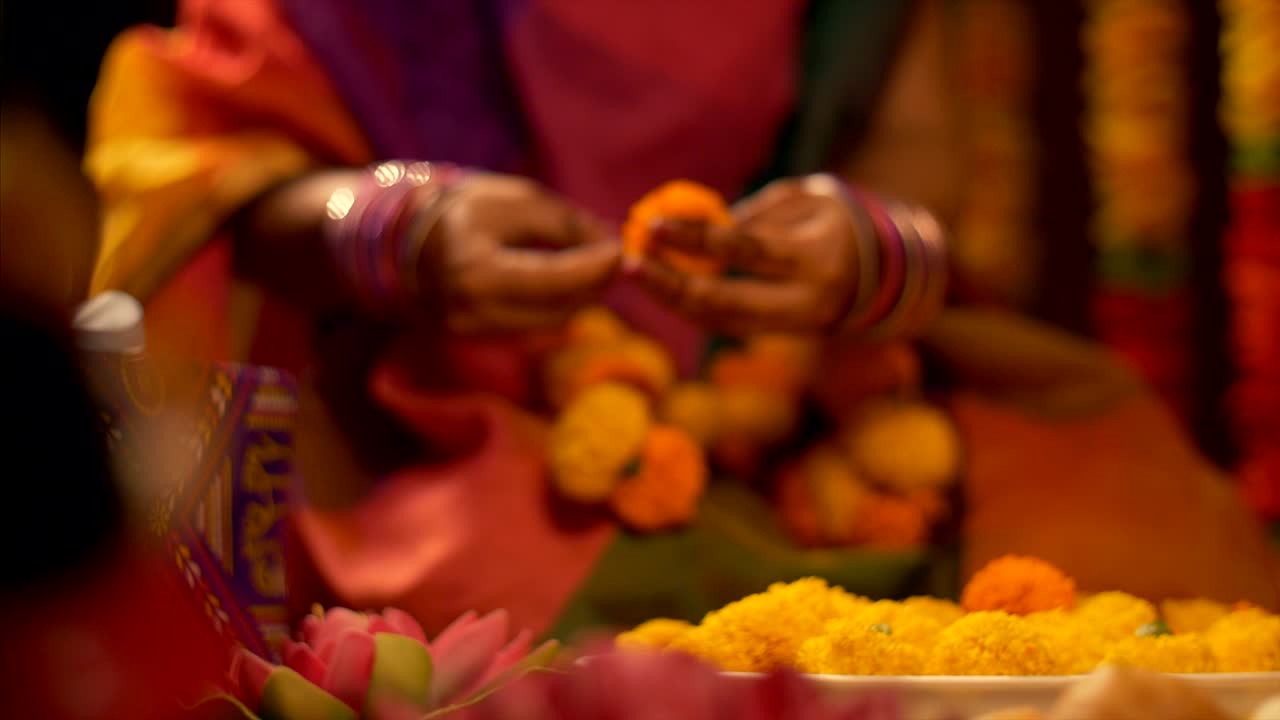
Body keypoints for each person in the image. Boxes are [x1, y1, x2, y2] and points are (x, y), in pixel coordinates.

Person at [86, 0, 1278, 637]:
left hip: (800, 399)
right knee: (469, 603)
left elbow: (914, 186)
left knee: (1130, 553)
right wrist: (395, 230)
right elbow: (201, 162)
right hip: (431, 408)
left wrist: (859, 252)